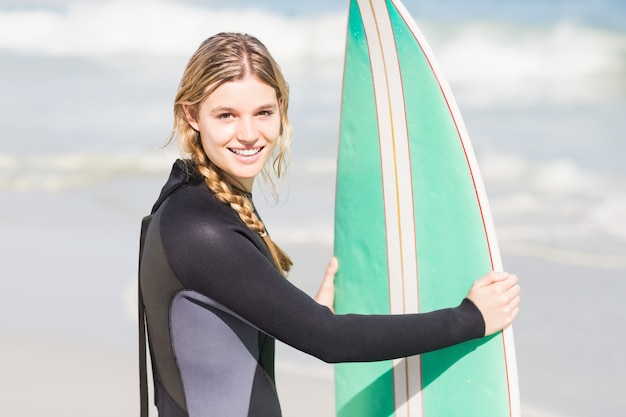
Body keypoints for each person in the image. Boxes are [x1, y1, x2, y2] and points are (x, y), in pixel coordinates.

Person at [138, 32, 520, 417]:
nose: (249, 133)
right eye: (226, 116)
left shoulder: (189, 202)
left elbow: (212, 332)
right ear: (192, 115)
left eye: (263, 112)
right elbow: (329, 341)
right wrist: (470, 317)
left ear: (281, 108)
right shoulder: (201, 230)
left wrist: (299, 312)